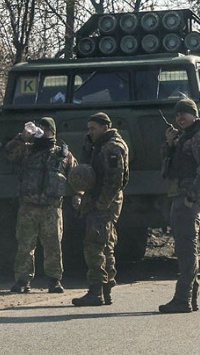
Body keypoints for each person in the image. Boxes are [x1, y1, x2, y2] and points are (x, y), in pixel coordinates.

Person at [4, 117, 77, 294]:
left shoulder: (63, 154)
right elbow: (8, 153)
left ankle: (54, 280)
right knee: (25, 245)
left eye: (46, 128)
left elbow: (75, 176)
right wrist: (22, 137)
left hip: (52, 208)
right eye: (40, 127)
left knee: (53, 245)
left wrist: (78, 195)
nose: (42, 131)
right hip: (28, 207)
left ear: (53, 131)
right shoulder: (26, 151)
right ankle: (22, 280)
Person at [158, 98, 200, 313]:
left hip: (188, 199)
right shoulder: (185, 137)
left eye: (184, 113)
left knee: (186, 249)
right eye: (177, 115)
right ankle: (189, 298)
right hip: (180, 196)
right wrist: (170, 144)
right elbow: (168, 164)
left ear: (194, 114)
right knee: (185, 248)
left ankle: (183, 298)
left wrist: (192, 197)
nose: (180, 118)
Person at [72, 112, 129, 306]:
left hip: (104, 202)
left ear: (105, 127)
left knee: (94, 245)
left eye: (93, 128)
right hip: (101, 201)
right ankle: (106, 290)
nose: (90, 132)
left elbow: (114, 180)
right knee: (106, 245)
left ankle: (96, 290)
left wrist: (101, 204)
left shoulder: (112, 147)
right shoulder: (99, 146)